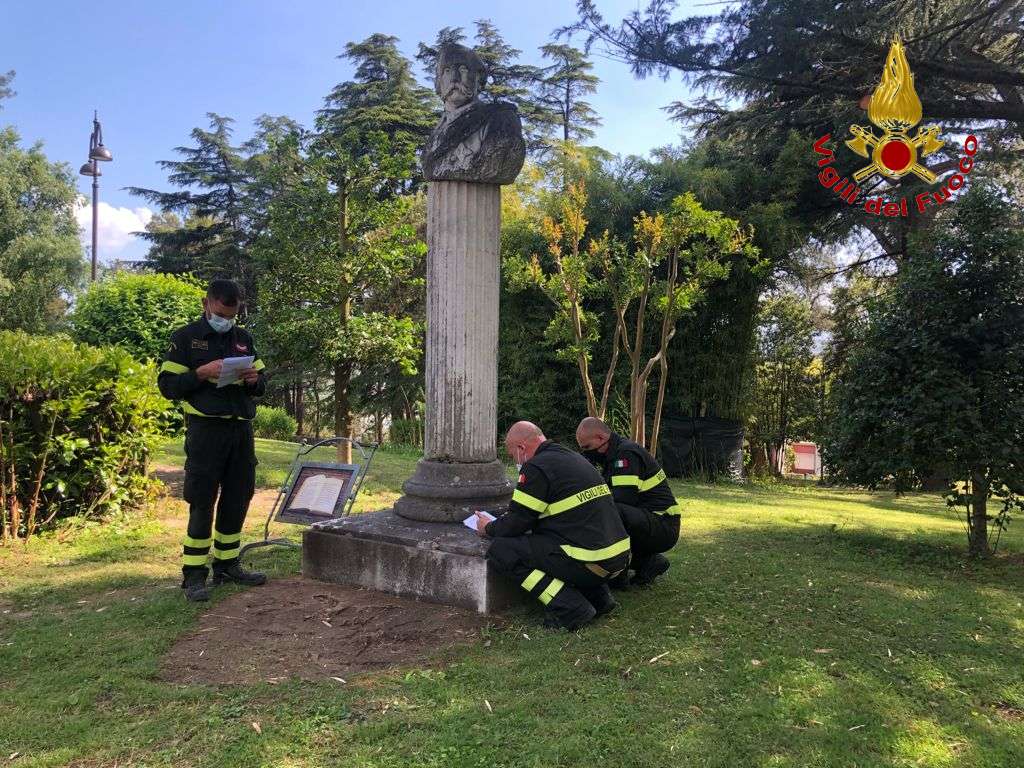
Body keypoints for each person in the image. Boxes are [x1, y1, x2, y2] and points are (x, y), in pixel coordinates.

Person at [157, 279, 268, 602]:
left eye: (231, 316)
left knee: (239, 496)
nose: (226, 321)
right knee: (202, 499)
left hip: (240, 431)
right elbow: (168, 386)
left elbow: (262, 385)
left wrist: (253, 379)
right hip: (205, 430)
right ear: (207, 304)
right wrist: (201, 373)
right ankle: (194, 575)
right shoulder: (186, 338)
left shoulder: (243, 338)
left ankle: (227, 564)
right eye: (221, 314)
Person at [474, 421, 631, 630]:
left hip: (591, 561)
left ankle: (569, 607)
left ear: (521, 448)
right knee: (559, 539)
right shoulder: (573, 457)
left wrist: (488, 527)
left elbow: (516, 524)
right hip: (616, 558)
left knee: (502, 550)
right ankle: (600, 598)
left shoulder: (536, 467)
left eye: (512, 455)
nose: (515, 461)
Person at [576, 417, 681, 586]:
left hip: (663, 524)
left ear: (601, 438)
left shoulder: (625, 455)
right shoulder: (613, 455)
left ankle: (618, 573)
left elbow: (621, 500)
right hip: (652, 521)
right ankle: (649, 563)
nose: (587, 453)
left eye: (587, 447)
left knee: (611, 512)